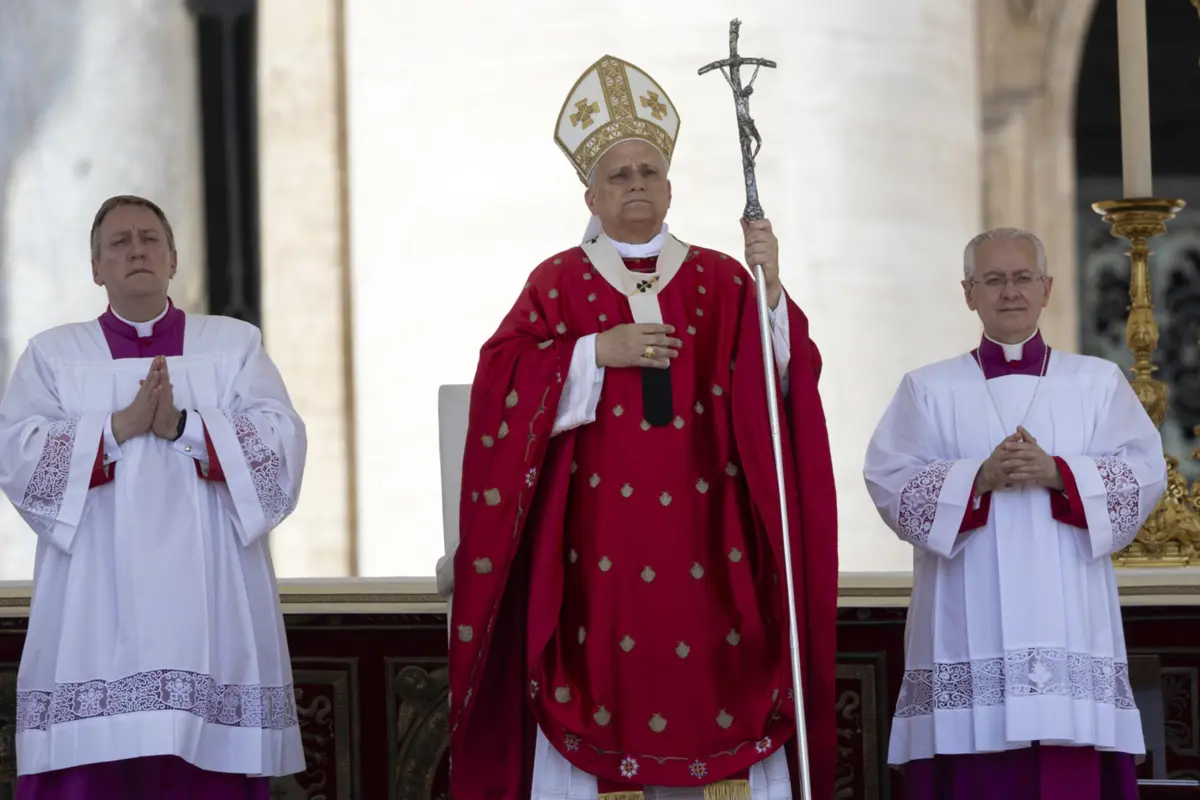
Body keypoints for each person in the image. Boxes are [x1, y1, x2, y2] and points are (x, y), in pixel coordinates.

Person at [446, 55, 838, 800]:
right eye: (619, 174)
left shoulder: (725, 278)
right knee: (602, 687)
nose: (635, 185)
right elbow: (502, 379)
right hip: (594, 548)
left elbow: (784, 387)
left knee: (721, 687)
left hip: (712, 539)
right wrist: (594, 351)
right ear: (589, 192)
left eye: (648, 172)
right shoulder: (559, 281)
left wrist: (774, 292)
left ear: (670, 186)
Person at [0, 195, 307, 798]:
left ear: (172, 258)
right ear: (96, 268)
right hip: (91, 613)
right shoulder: (54, 356)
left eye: (148, 238)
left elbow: (281, 453)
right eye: (118, 242)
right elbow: (19, 457)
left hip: (209, 615)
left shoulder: (232, 345)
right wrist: (117, 427)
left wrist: (183, 425)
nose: (135, 249)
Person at [863, 227, 1167, 798]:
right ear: (968, 292)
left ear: (1047, 288)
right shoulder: (927, 388)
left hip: (1069, 618)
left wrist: (1059, 473)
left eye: (1023, 278)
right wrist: (977, 477)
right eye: (993, 280)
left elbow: (1145, 473)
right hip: (964, 615)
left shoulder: (1096, 383)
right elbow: (889, 481)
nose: (1010, 292)